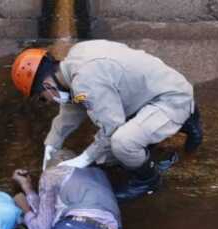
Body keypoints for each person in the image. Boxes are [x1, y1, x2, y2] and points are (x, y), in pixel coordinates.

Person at [11, 40, 203, 200]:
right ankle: (185, 120)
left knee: (122, 143)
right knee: (109, 154)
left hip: (170, 98)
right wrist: (52, 144)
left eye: (43, 99)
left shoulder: (85, 81)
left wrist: (84, 159)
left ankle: (148, 181)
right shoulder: (75, 63)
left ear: (47, 85)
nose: (48, 102)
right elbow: (75, 105)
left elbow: (111, 128)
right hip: (152, 91)